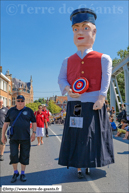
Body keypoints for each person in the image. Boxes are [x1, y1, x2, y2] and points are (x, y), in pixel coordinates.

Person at [58, 8, 114, 179]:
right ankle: (79, 165)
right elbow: (61, 79)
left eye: (85, 28)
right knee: (77, 133)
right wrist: (68, 90)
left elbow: (106, 79)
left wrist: (102, 97)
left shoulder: (104, 58)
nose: (79, 32)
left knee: (93, 134)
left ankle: (91, 162)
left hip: (94, 103)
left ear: (94, 32)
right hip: (75, 104)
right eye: (75, 29)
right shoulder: (67, 61)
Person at [1, 95, 37, 183]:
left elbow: (34, 122)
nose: (20, 102)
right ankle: (15, 172)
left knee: (24, 156)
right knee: (13, 155)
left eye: (22, 101)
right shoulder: (11, 111)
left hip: (25, 137)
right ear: (16, 101)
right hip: (14, 138)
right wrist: (3, 135)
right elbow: (5, 124)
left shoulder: (29, 111)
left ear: (24, 102)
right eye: (18, 101)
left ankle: (23, 173)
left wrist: (34, 133)